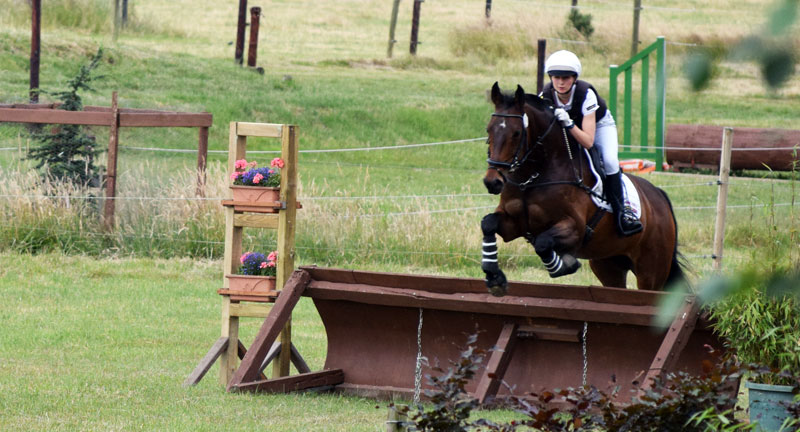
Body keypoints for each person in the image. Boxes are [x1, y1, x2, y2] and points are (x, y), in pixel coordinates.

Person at [540, 50, 643, 236]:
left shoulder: (586, 94)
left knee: (610, 161)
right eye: (556, 77)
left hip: (599, 126)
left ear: (574, 78)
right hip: (568, 127)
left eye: (566, 78)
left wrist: (569, 123)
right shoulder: (545, 96)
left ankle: (623, 213)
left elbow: (588, 142)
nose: (561, 82)